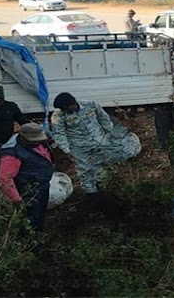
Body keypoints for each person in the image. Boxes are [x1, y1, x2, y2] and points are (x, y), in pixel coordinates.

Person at [51, 93, 141, 228]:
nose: (65, 111)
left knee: (104, 164)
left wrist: (111, 134)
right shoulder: (58, 116)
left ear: (72, 103)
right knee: (85, 170)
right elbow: (59, 133)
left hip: (100, 141)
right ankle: (91, 194)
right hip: (79, 147)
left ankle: (106, 186)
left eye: (66, 108)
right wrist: (66, 150)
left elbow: (104, 119)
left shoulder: (91, 105)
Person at [0, 123, 54, 233]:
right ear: (23, 137)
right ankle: (30, 244)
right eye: (34, 140)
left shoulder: (39, 141)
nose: (37, 142)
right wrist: (16, 199)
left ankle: (38, 236)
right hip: (28, 190)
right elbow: (5, 178)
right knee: (31, 219)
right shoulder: (12, 153)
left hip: (42, 186)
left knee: (40, 214)